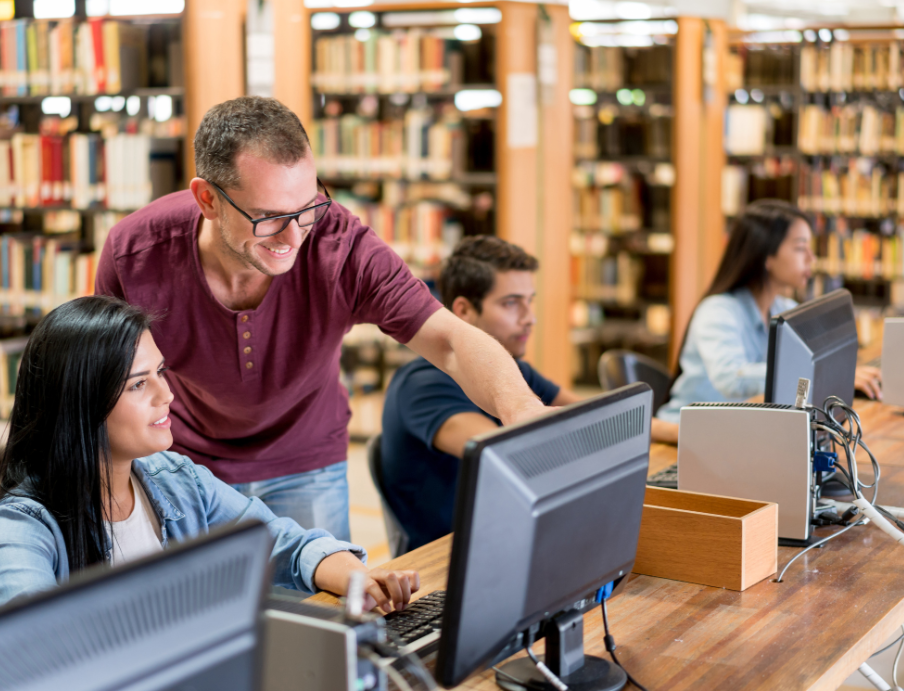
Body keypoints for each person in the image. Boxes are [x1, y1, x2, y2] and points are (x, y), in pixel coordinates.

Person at [95, 97, 551, 541]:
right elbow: (105, 383)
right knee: (207, 616)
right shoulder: (133, 253)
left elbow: (451, 340)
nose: (294, 237)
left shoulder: (342, 245)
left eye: (308, 207)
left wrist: (522, 411)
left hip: (308, 463)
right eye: (268, 217)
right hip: (187, 464)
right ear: (208, 199)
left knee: (321, 611)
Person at [0, 296, 419, 611]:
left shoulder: (175, 478)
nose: (167, 395)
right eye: (139, 384)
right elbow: (30, 649)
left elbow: (280, 542)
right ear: (80, 401)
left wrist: (354, 576)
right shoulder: (19, 528)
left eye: (161, 372)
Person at [379, 237, 679, 551]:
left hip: (519, 533)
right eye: (511, 303)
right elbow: (509, 456)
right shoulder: (423, 384)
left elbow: (591, 411)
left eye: (529, 301)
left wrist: (681, 433)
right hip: (450, 557)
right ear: (464, 310)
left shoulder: (511, 371)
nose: (529, 317)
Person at [658, 199, 881, 423]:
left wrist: (839, 373)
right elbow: (731, 379)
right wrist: (818, 376)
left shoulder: (785, 309)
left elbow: (815, 358)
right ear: (766, 255)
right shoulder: (717, 312)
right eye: (800, 248)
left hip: (738, 428)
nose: (811, 259)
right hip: (684, 433)